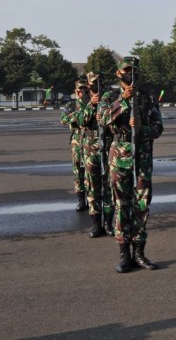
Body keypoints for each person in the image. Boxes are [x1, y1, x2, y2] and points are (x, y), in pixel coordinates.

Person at [100, 57, 164, 273]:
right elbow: (102, 119)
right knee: (121, 206)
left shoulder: (147, 97)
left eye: (134, 70)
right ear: (118, 74)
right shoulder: (109, 96)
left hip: (142, 158)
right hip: (119, 158)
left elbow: (158, 126)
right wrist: (123, 102)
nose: (131, 73)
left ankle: (139, 253)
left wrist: (142, 129)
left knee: (142, 207)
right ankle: (124, 255)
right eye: (127, 70)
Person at [79, 71, 115, 238]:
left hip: (107, 146)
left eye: (99, 81)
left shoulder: (110, 95)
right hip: (90, 148)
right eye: (93, 82)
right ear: (88, 82)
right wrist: (91, 106)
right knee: (93, 187)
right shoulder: (84, 99)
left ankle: (108, 223)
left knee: (108, 187)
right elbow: (79, 121)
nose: (97, 84)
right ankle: (96, 224)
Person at [60, 77, 88, 212]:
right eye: (80, 90)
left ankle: (93, 199)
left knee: (93, 171)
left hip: (92, 141)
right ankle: (81, 200)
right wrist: (76, 115)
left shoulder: (94, 103)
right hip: (77, 140)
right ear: (76, 91)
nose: (82, 92)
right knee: (78, 171)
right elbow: (63, 119)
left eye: (85, 89)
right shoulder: (71, 105)